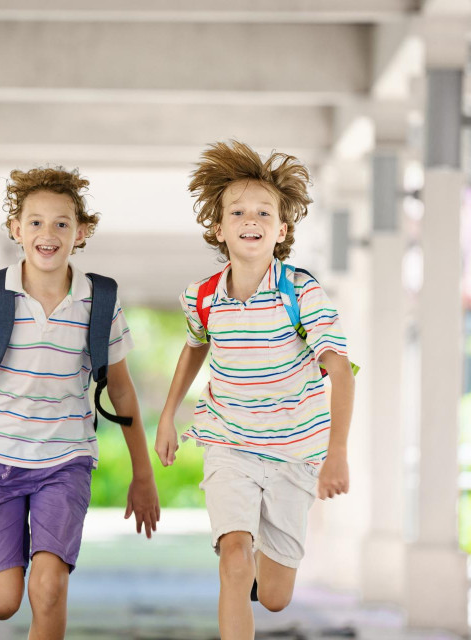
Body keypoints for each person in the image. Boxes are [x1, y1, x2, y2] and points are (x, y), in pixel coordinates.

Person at [0, 166, 160, 640]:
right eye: (35, 222)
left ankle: (19, 561)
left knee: (48, 589)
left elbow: (122, 389)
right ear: (15, 230)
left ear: (81, 232)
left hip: (66, 462)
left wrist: (143, 473)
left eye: (61, 223)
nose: (47, 234)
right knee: (3, 603)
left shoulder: (100, 303)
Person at [155, 141, 355, 640]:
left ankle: (260, 563)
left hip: (295, 450)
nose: (252, 219)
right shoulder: (201, 296)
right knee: (235, 560)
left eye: (264, 212)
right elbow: (195, 346)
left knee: (274, 596)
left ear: (281, 230)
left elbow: (342, 372)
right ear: (218, 229)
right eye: (238, 211)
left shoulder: (301, 292)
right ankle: (241, 562)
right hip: (229, 443)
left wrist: (337, 454)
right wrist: (167, 416)